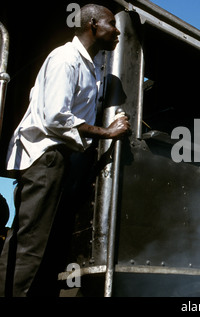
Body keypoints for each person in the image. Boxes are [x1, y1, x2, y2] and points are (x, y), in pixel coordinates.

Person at [0, 4, 130, 297]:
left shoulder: (90, 66)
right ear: (93, 25)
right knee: (29, 245)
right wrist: (107, 132)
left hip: (60, 159)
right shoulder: (65, 59)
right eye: (112, 24)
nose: (117, 30)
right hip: (46, 157)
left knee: (45, 244)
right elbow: (56, 117)